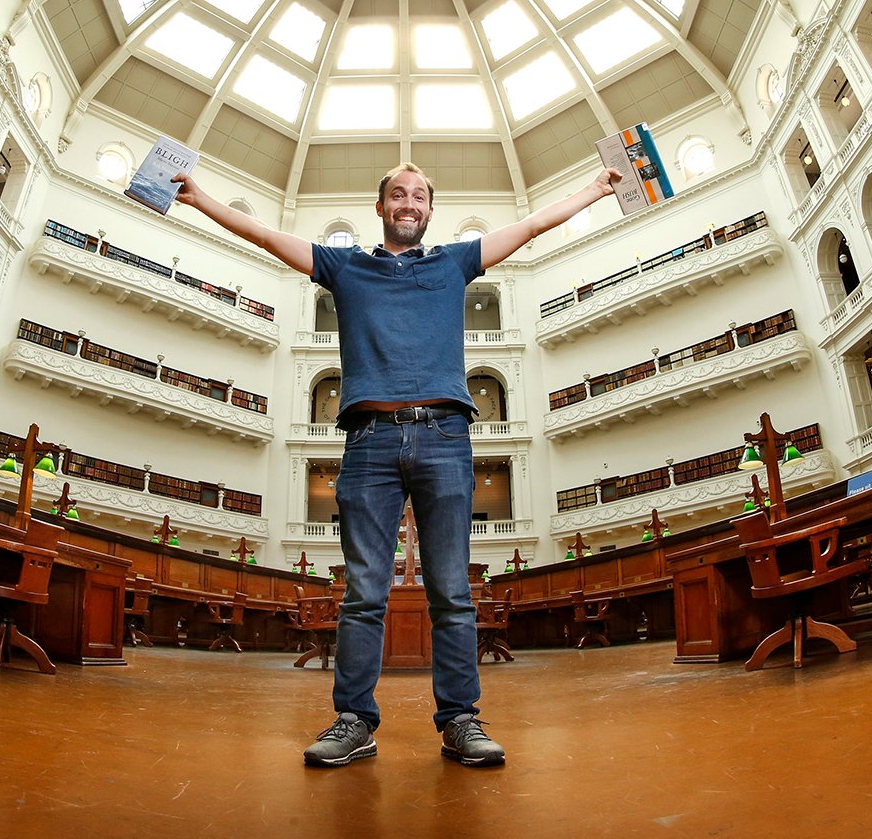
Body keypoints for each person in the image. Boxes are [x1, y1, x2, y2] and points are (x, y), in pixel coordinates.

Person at [173, 160, 621, 767]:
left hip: (444, 436)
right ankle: (354, 721)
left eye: (419, 196)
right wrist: (200, 199)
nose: (408, 203)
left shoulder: (455, 262)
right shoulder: (345, 266)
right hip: (369, 441)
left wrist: (595, 188)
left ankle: (460, 720)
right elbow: (265, 236)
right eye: (397, 194)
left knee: (452, 593)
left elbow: (534, 224)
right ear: (380, 207)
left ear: (430, 210)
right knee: (363, 594)